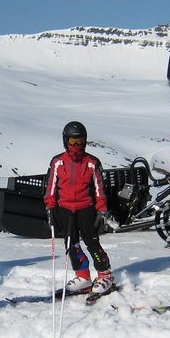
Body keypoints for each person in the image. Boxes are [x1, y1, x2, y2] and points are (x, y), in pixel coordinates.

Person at [44, 121, 114, 295]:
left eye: (80, 141)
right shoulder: (58, 162)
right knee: (71, 243)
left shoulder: (92, 163)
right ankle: (83, 276)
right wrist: (50, 208)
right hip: (64, 209)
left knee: (92, 242)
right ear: (65, 141)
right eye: (73, 142)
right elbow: (51, 187)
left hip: (85, 208)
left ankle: (105, 275)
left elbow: (99, 189)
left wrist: (102, 211)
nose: (77, 145)